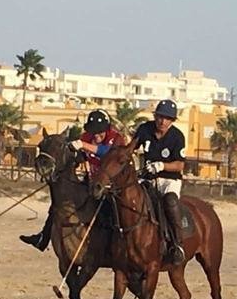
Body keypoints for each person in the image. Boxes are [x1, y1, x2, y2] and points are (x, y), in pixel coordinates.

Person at [20, 109, 127, 251]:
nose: (96, 135)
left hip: (113, 185)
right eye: (93, 131)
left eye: (99, 132)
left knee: (114, 211)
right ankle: (43, 237)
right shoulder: (86, 137)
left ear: (106, 129)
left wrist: (83, 146)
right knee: (60, 202)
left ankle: (118, 243)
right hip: (91, 182)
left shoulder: (117, 138)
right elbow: (78, 158)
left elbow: (106, 152)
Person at [129, 99, 186, 264]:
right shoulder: (145, 129)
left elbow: (180, 165)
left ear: (172, 120)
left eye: (166, 118)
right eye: (160, 117)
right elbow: (131, 147)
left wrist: (162, 165)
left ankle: (177, 244)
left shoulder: (177, 136)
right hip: (146, 178)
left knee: (170, 201)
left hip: (169, 180)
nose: (162, 121)